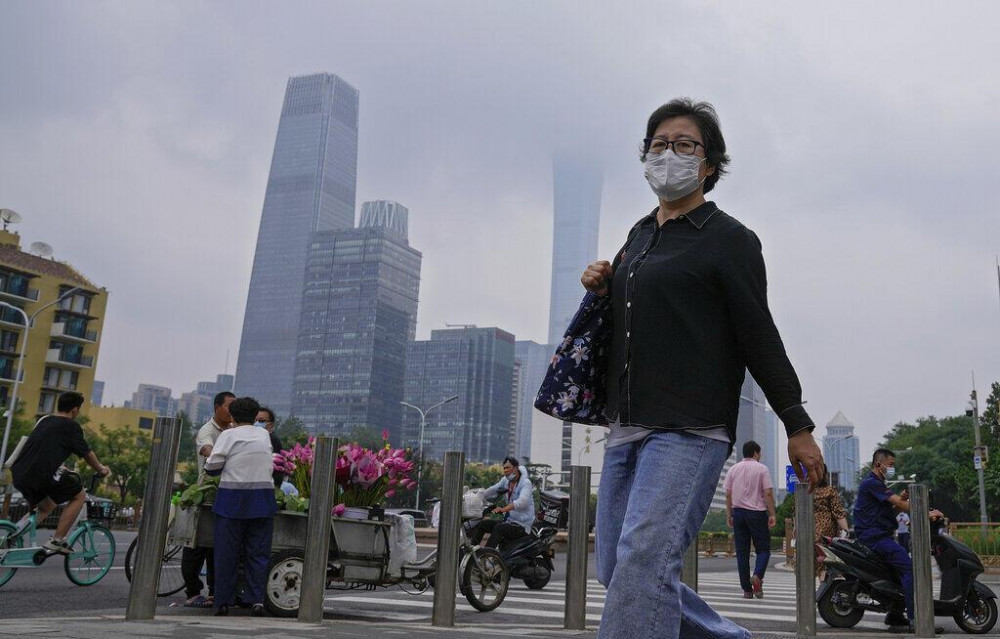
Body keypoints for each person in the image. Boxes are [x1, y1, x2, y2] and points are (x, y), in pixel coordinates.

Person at [581, 98, 825, 639]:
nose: (669, 154)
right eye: (659, 144)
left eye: (685, 145)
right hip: (626, 426)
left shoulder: (729, 239)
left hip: (689, 427)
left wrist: (797, 424)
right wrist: (604, 280)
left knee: (644, 560)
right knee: (619, 570)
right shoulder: (639, 237)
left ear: (709, 164)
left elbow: (758, 334)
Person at [854, 448, 943, 630]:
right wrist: (925, 512)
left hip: (878, 536)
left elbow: (893, 509)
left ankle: (895, 615)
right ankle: (915, 621)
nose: (892, 469)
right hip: (875, 538)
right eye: (891, 465)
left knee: (896, 574)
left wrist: (902, 499)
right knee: (910, 570)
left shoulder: (878, 485)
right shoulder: (872, 483)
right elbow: (901, 505)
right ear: (879, 465)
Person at [204, 396, 277, 617]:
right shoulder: (264, 435)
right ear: (256, 417)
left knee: (228, 553)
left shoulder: (228, 435)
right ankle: (256, 600)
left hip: (231, 501)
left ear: (233, 416)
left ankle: (223, 601)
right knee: (258, 554)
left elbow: (212, 468)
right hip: (262, 500)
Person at [10, 391, 110, 553]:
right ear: (75, 410)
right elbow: (86, 453)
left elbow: (44, 448)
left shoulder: (44, 420)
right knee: (79, 495)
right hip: (40, 475)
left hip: (20, 472)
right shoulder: (71, 426)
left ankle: (11, 536)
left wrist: (59, 466)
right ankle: (58, 540)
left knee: (46, 506)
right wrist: (101, 468)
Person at [181, 390, 234, 608]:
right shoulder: (207, 430)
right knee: (196, 547)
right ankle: (193, 592)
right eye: (229, 406)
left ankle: (214, 591)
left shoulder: (233, 429)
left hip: (226, 492)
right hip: (206, 493)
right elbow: (206, 449)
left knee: (216, 546)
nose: (232, 411)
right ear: (216, 408)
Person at [724, 440, 776, 599]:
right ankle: (758, 575)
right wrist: (772, 513)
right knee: (763, 549)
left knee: (742, 553)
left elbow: (728, 494)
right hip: (757, 513)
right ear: (755, 452)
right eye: (759, 453)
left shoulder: (733, 469)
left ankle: (747, 590)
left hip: (738, 513)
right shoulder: (762, 469)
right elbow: (767, 493)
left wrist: (729, 514)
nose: (760, 456)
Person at [467, 457, 534, 549]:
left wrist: (503, 509)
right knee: (483, 524)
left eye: (508, 468)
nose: (505, 470)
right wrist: (478, 497)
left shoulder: (526, 483)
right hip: (509, 521)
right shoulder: (506, 481)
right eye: (504, 468)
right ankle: (471, 552)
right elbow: (493, 490)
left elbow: (522, 502)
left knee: (499, 528)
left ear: (516, 468)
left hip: (522, 525)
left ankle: (487, 555)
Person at [813, 463, 848, 582]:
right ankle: (823, 585)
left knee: (814, 563)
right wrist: (845, 530)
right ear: (825, 475)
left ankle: (812, 594)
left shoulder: (805, 491)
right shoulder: (829, 491)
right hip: (826, 531)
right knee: (826, 561)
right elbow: (838, 512)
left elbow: (796, 512)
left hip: (809, 529)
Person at [255, 406, 284, 486]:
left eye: (261, 421)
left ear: (270, 424)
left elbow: (277, 468)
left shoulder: (273, 440)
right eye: (255, 420)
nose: (257, 423)